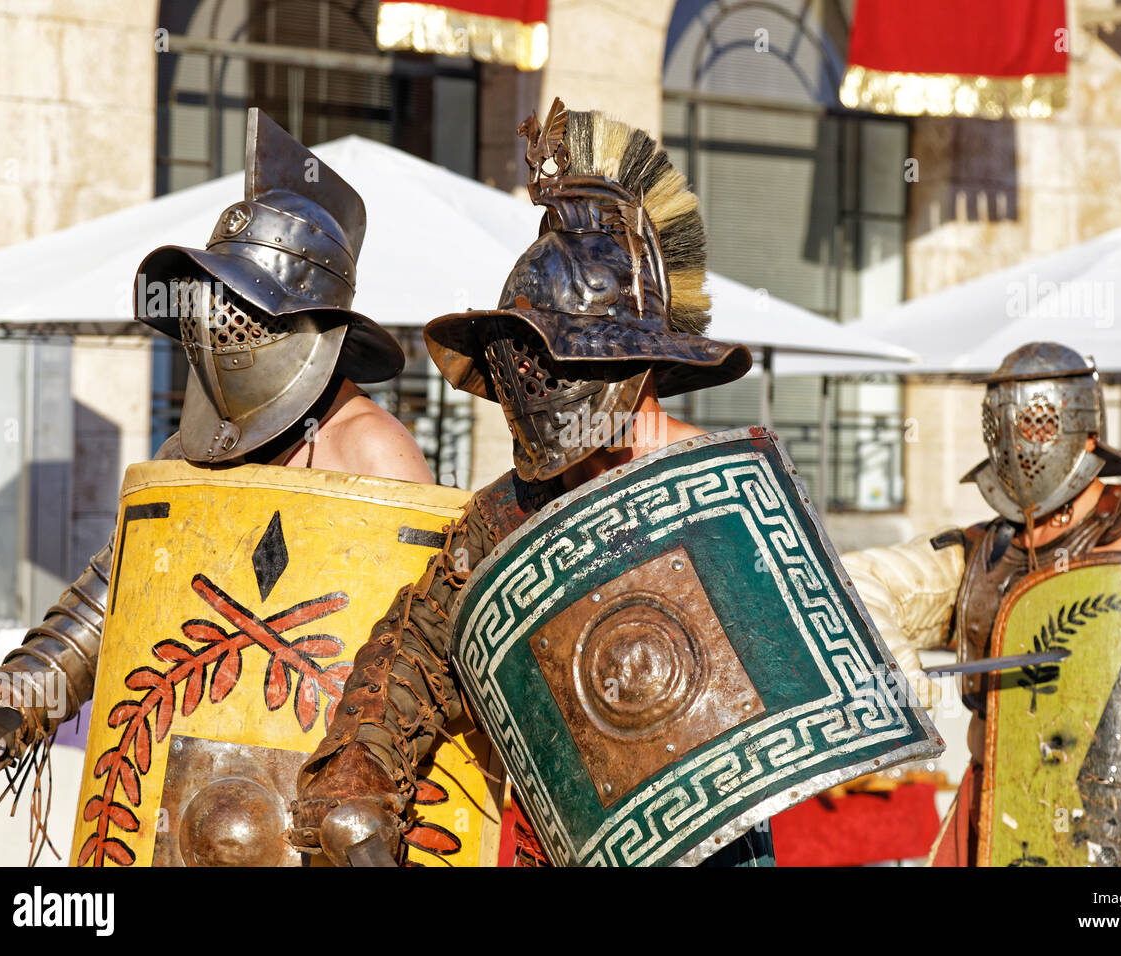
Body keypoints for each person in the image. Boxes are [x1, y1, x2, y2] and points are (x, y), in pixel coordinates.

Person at [287, 99, 798, 867]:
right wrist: (360, 770)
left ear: (629, 359)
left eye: (561, 358)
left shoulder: (727, 493)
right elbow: (416, 650)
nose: (541, 381)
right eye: (531, 359)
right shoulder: (504, 515)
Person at [0, 109, 431, 793]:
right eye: (212, 296)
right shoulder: (195, 448)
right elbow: (118, 591)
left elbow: (414, 657)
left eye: (240, 302)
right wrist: (24, 691)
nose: (217, 320)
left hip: (313, 804)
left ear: (307, 320)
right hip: (183, 795)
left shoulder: (374, 453)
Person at [840, 342, 1121, 865]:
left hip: (1114, 824)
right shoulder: (984, 549)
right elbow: (855, 581)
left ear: (1085, 432)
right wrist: (901, 681)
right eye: (1002, 426)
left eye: (1036, 423)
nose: (1016, 443)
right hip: (991, 802)